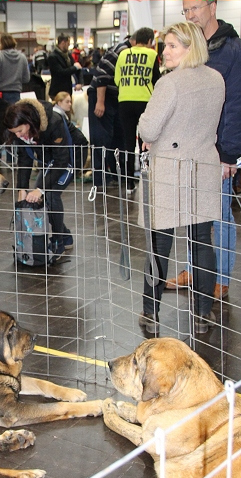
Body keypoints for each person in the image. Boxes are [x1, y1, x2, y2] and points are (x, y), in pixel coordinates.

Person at [137, 21, 224, 335]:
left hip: (170, 172)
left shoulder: (169, 84)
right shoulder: (217, 80)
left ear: (191, 48)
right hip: (203, 167)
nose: (166, 51)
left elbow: (148, 129)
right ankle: (202, 314)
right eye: (166, 45)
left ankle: (150, 312)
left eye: (174, 45)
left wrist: (144, 127)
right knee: (202, 244)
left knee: (159, 245)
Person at [166, 0, 241, 301]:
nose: (191, 14)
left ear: (213, 5)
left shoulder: (232, 49)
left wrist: (228, 153)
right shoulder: (190, 44)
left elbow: (236, 105)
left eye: (195, 7)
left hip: (217, 148)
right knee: (192, 213)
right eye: (186, 10)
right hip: (188, 145)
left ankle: (219, 278)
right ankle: (194, 270)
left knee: (219, 213)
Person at [3, 98, 75, 260]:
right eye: (14, 133)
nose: (18, 135)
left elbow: (62, 160)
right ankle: (65, 236)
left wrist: (40, 188)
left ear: (29, 122)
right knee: (39, 198)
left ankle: (58, 242)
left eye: (20, 131)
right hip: (50, 159)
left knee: (50, 194)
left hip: (70, 156)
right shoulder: (19, 130)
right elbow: (25, 158)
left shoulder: (53, 122)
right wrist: (22, 188)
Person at [114, 27, 161, 193]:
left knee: (128, 143)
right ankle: (145, 178)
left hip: (125, 101)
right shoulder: (152, 55)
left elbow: (117, 79)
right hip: (144, 102)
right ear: (149, 41)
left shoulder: (122, 54)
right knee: (144, 142)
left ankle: (128, 183)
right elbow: (157, 81)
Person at [87, 34, 135, 190]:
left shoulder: (128, 51)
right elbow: (102, 75)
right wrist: (100, 102)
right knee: (101, 139)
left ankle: (115, 176)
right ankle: (99, 181)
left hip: (114, 97)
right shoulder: (122, 51)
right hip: (102, 95)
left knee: (117, 138)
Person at [52, 91, 89, 179]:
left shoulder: (61, 115)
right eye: (67, 102)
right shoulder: (58, 116)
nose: (70, 104)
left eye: (70, 102)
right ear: (59, 102)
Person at [0, 34, 30, 105]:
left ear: (2, 44)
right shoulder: (22, 57)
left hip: (1, 94)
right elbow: (27, 78)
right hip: (16, 93)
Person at [48, 33, 82, 100]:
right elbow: (60, 72)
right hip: (57, 92)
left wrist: (80, 82)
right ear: (63, 42)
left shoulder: (68, 55)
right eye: (68, 44)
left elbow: (78, 68)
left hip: (68, 91)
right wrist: (74, 67)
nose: (69, 46)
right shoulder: (52, 57)